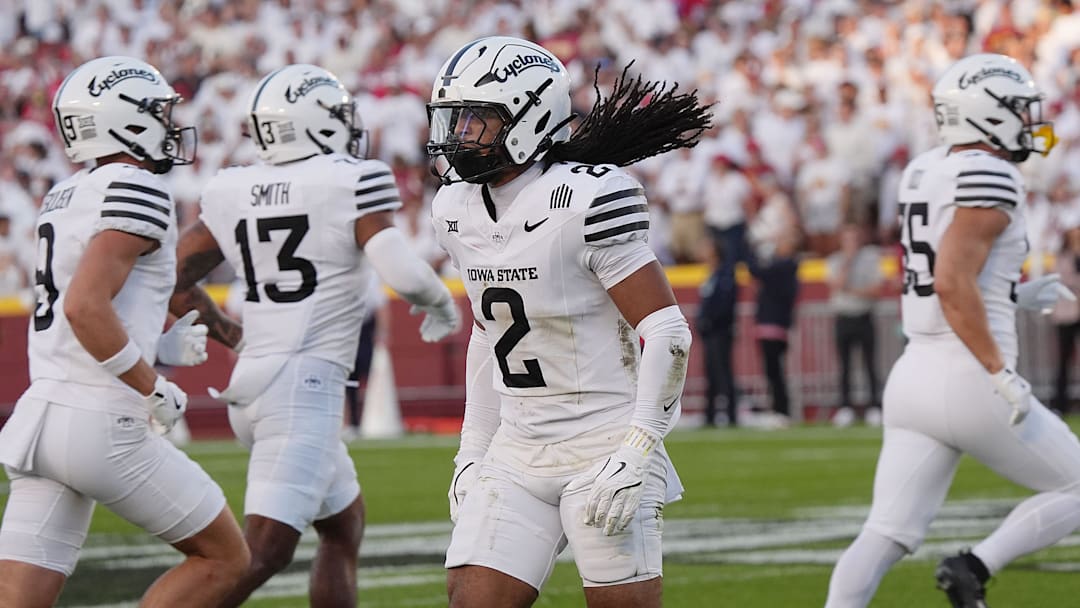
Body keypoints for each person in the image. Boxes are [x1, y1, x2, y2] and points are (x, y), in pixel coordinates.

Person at [427, 36, 710, 608]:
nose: (460, 136)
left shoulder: (589, 199)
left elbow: (666, 331)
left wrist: (638, 446)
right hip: (517, 444)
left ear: (530, 118)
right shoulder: (454, 209)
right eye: (454, 120)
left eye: (476, 120)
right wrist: (471, 450)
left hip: (602, 440)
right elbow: (487, 332)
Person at [168, 64, 461, 608]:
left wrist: (224, 329)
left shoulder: (233, 185)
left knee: (342, 525)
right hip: (304, 390)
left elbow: (172, 276)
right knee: (261, 553)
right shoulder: (348, 178)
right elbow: (400, 271)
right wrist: (440, 302)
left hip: (253, 383)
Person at [824, 53, 1080, 608]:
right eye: (1016, 108)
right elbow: (951, 280)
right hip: (970, 376)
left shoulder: (923, 169)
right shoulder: (991, 173)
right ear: (984, 114)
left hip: (914, 374)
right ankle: (973, 566)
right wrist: (999, 371)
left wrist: (1010, 294)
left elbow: (951, 274)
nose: (1028, 118)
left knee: (885, 532)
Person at [0, 56, 249, 607]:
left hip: (42, 415)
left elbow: (80, 309)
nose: (168, 123)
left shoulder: (62, 195)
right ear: (124, 119)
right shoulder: (136, 186)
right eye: (158, 111)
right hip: (101, 421)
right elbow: (85, 308)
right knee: (226, 558)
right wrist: (149, 382)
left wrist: (155, 347)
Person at [826, 222, 884, 427]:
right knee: (844, 365)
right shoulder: (835, 260)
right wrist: (848, 263)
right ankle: (845, 407)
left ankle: (875, 406)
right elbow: (836, 285)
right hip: (843, 316)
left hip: (864, 314)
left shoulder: (870, 258)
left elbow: (877, 289)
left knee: (870, 364)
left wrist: (853, 291)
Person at [696, 238, 739, 427]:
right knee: (712, 373)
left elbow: (724, 303)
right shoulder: (711, 275)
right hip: (710, 333)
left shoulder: (725, 275)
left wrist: (709, 321)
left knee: (723, 373)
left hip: (720, 331)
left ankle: (731, 414)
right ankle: (710, 415)